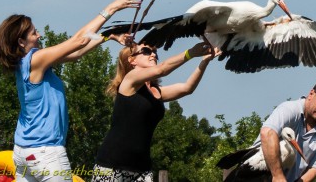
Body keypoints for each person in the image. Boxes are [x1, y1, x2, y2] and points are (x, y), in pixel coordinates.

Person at [0, 0, 142, 182]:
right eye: (33, 33)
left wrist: (108, 36)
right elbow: (79, 40)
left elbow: (76, 53)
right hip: (46, 153)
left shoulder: (28, 63)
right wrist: (112, 8)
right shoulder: (36, 59)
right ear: (21, 42)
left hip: (24, 153)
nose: (39, 35)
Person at [92, 41, 220, 182]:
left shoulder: (156, 92)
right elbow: (162, 69)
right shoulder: (130, 80)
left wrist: (204, 62)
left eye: (154, 52)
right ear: (132, 60)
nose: (153, 54)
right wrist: (191, 53)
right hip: (112, 165)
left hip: (142, 168)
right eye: (146, 51)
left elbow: (187, 88)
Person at [252, 78, 316, 182]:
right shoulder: (289, 109)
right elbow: (267, 133)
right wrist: (278, 176)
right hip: (253, 175)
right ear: (311, 94)